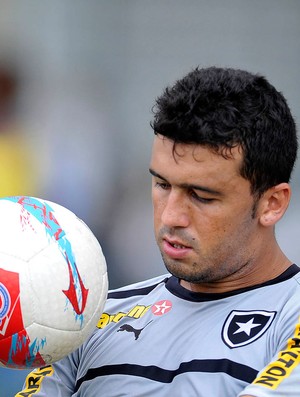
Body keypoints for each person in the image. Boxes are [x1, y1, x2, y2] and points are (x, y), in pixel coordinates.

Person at [16, 66, 299, 397]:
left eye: (202, 195)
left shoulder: (291, 314)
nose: (171, 215)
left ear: (272, 204)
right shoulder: (85, 321)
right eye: (162, 184)